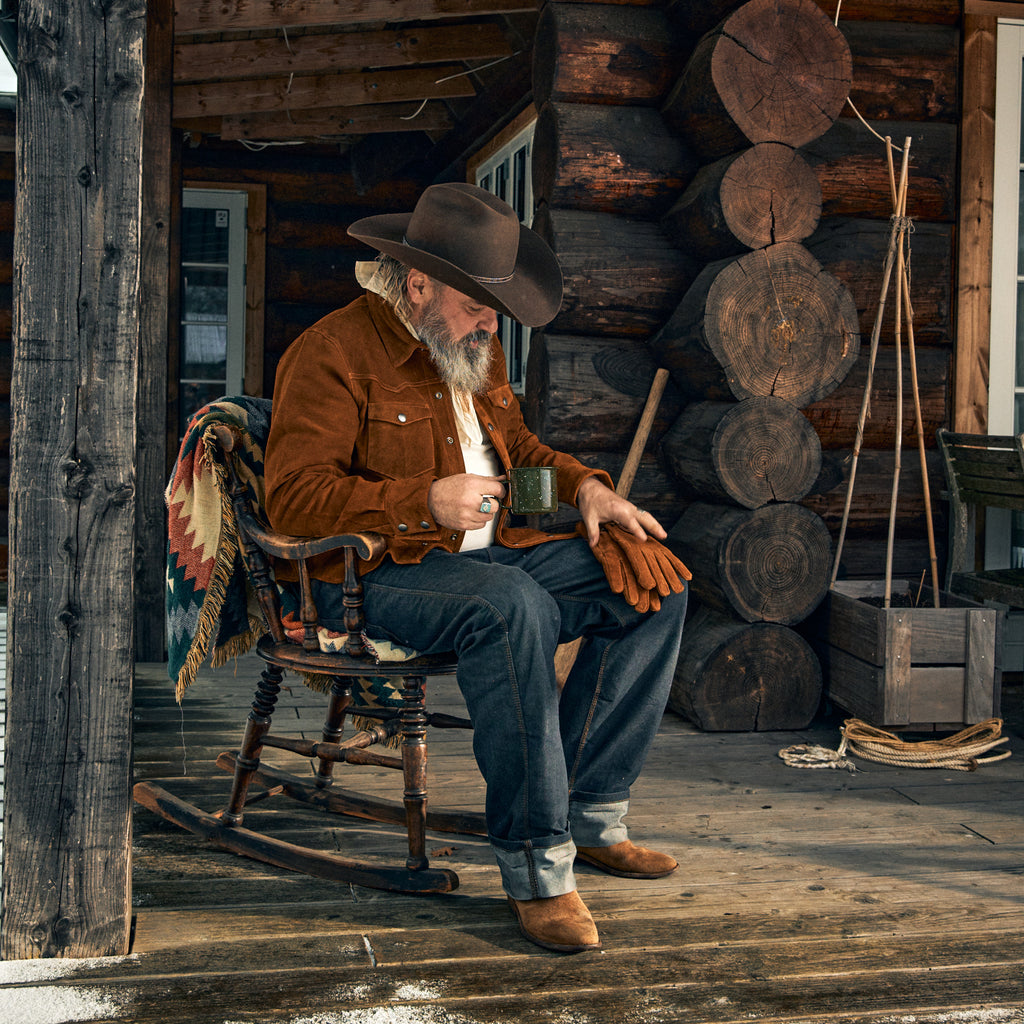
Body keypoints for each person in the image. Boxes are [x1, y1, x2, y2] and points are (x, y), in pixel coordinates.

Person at [264, 182, 689, 954]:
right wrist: (423, 499)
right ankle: (537, 867)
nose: (492, 322)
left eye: (496, 305)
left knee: (652, 580)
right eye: (477, 303)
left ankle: (591, 814)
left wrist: (587, 491)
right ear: (418, 282)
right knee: (509, 606)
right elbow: (293, 500)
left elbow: (517, 466)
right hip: (372, 578)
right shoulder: (331, 352)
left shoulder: (473, 353)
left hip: (489, 559)